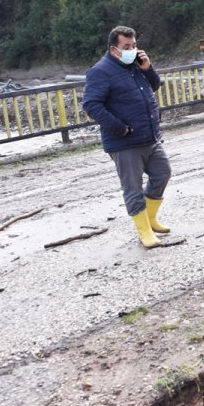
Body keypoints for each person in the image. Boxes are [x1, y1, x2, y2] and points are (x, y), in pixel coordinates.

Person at [83, 25, 172, 248]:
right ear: (114, 49)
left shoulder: (134, 65)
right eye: (127, 46)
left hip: (150, 136)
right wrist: (119, 128)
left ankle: (150, 219)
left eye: (134, 45)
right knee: (132, 187)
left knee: (162, 173)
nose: (132, 49)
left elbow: (153, 86)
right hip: (124, 143)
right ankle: (144, 232)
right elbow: (91, 105)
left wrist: (148, 68)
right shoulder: (101, 71)